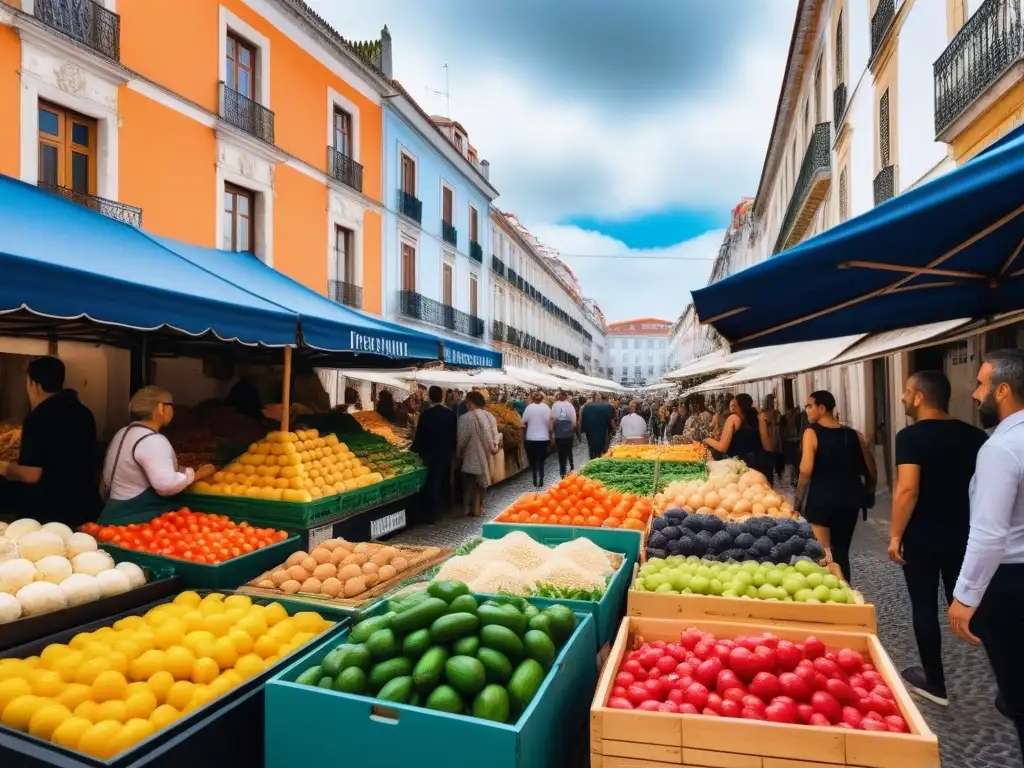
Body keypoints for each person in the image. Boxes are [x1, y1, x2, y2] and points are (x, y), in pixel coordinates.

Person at [888, 371, 987, 706]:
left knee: (924, 607)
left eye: (905, 391)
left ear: (919, 397)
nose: (902, 397)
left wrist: (895, 534)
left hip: (922, 538)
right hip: (964, 534)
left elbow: (907, 489)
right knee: (970, 604)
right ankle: (1007, 675)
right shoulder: (976, 436)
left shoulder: (910, 437)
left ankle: (935, 682)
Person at [948, 350, 1024, 749]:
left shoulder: (1001, 448)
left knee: (1019, 694)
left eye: (981, 384)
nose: (975, 394)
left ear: (1004, 390)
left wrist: (965, 595)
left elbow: (990, 534)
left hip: (1012, 582)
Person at [0, 356, 102, 528]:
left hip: (49, 513)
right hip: (84, 507)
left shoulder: (38, 418)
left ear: (35, 385)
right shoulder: (84, 413)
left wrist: (5, 467)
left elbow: (33, 475)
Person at [794, 390, 876, 583]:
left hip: (822, 500)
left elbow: (805, 470)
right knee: (842, 552)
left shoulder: (811, 432)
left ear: (822, 408)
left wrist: (797, 503)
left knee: (823, 555)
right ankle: (847, 594)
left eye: (809, 406)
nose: (806, 410)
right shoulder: (855, 434)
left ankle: (832, 602)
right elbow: (871, 468)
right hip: (850, 501)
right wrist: (869, 492)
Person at [100, 386, 215, 522]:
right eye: (171, 405)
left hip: (112, 511)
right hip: (136, 518)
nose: (173, 411)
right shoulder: (152, 440)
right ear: (161, 408)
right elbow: (166, 485)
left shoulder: (122, 432)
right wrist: (198, 474)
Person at [411, 385, 457, 523]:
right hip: (446, 452)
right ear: (442, 397)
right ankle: (446, 508)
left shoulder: (426, 415)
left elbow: (419, 436)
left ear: (429, 397)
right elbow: (455, 434)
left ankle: (433, 513)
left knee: (432, 481)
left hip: (430, 453)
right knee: (444, 479)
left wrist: (414, 450)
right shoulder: (450, 414)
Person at [456, 391, 500, 517]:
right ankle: (478, 506)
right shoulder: (490, 417)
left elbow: (462, 439)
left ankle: (466, 508)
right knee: (481, 484)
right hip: (486, 455)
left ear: (471, 402)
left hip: (471, 455)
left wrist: (459, 452)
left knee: (469, 483)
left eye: (467, 401)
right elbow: (494, 436)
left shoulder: (465, 418)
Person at [521, 392, 553, 487]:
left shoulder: (529, 408)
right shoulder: (546, 408)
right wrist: (551, 434)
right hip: (544, 438)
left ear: (533, 399)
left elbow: (522, 422)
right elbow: (550, 423)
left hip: (531, 438)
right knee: (541, 460)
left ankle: (535, 479)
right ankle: (541, 480)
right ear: (542, 398)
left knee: (533, 460)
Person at [580, 392, 616, 460]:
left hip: (591, 432)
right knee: (603, 449)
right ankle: (602, 460)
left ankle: (592, 460)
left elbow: (581, 421)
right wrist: (614, 429)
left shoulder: (586, 406)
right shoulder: (608, 406)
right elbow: (611, 420)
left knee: (592, 448)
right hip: (604, 432)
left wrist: (580, 434)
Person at [550, 391, 577, 478]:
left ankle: (563, 469)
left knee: (561, 451)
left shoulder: (555, 405)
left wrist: (552, 430)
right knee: (568, 448)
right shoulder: (569, 405)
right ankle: (570, 463)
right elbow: (573, 419)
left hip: (559, 428)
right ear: (565, 397)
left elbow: (552, 418)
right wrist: (573, 427)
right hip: (567, 428)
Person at [762, 394, 784, 483]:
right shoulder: (775, 412)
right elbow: (778, 422)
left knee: (770, 455)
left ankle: (771, 475)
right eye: (774, 401)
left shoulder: (764, 413)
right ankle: (778, 474)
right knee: (776, 455)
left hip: (770, 435)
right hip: (774, 435)